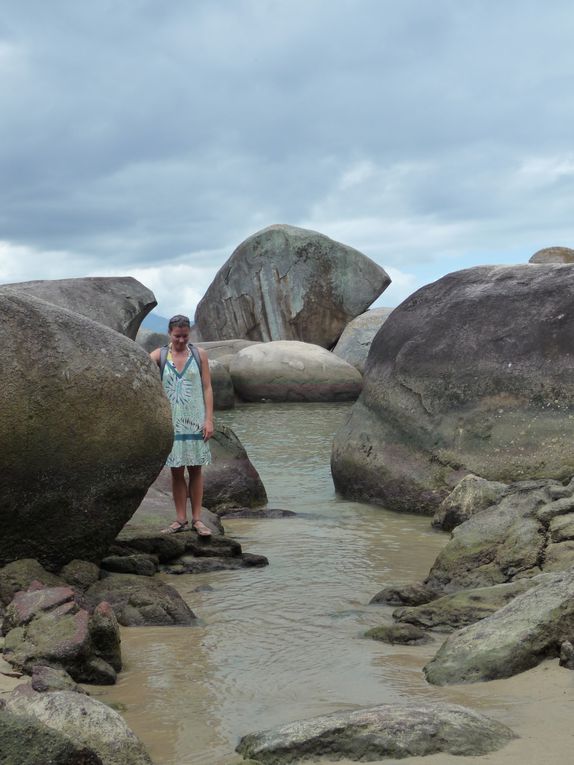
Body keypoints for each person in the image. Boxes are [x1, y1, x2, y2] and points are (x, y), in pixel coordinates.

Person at [150, 314, 214, 536]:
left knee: (196, 470)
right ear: (170, 333)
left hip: (195, 420)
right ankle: (180, 519)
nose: (180, 340)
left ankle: (198, 520)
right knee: (177, 472)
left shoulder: (199, 355)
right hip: (172, 422)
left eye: (185, 336)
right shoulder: (159, 355)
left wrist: (208, 419)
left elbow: (207, 388)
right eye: (177, 336)